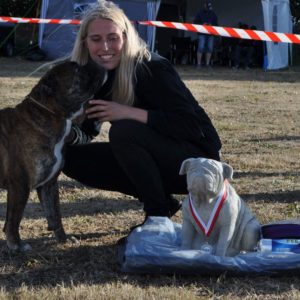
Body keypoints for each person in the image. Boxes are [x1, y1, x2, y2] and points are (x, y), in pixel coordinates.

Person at [63, 0, 222, 228]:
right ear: (84, 42)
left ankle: (156, 218)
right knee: (70, 158)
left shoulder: (152, 68)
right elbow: (88, 131)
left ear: (125, 37)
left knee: (123, 130)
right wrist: (64, 133)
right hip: (158, 155)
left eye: (113, 38)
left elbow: (190, 126)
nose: (105, 47)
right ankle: (163, 203)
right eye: (96, 39)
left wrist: (128, 112)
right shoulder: (96, 76)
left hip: (200, 164)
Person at [193, 1, 218, 68]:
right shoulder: (199, 13)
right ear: (204, 6)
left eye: (209, 7)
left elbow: (216, 24)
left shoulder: (213, 14)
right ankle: (198, 64)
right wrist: (202, 25)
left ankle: (207, 64)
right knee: (201, 47)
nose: (208, 8)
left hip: (211, 34)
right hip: (202, 33)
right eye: (207, 6)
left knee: (210, 48)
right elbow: (195, 22)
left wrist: (211, 25)